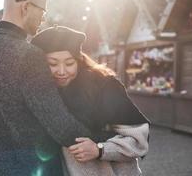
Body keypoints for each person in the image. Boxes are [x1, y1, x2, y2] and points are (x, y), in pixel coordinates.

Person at [0, 0, 94, 175]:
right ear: (26, 7)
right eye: (43, 10)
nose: (43, 19)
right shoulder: (29, 55)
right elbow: (58, 124)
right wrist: (101, 141)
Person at [31, 26, 151, 176]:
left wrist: (99, 149)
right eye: (52, 64)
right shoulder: (39, 94)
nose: (61, 71)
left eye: (69, 63)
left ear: (79, 61)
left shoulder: (105, 86)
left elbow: (139, 139)